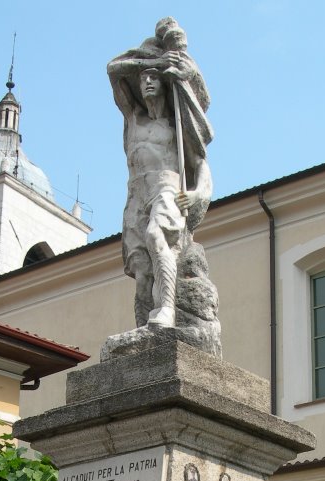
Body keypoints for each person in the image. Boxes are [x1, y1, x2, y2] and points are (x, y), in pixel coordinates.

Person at [107, 19, 214, 329]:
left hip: (167, 187)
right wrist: (155, 60)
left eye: (154, 78)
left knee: (158, 238)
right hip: (136, 194)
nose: (148, 82)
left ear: (165, 85)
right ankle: (144, 328)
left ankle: (166, 309)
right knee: (141, 269)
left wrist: (199, 194)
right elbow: (113, 69)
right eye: (144, 79)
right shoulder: (133, 118)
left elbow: (200, 162)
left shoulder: (177, 125)